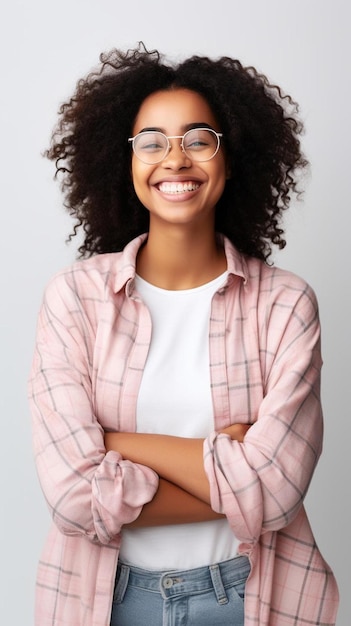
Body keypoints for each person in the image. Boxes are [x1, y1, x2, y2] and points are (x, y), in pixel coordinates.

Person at [28, 43, 339, 626]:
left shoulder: (285, 304)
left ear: (230, 157)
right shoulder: (74, 300)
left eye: (198, 138)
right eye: (152, 142)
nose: (175, 159)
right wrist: (234, 464)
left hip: (250, 598)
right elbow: (72, 498)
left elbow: (278, 494)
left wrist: (114, 442)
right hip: (106, 601)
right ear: (125, 162)